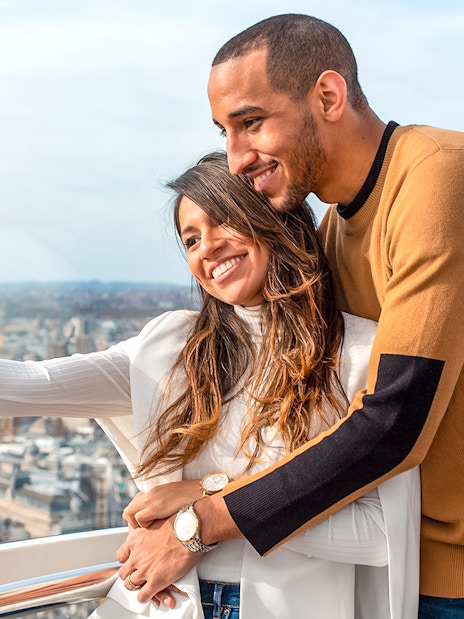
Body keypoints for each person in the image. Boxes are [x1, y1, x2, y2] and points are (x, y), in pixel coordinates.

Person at [118, 14, 464, 618]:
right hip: (406, 570)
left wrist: (197, 524)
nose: (235, 158)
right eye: (224, 132)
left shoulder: (437, 176)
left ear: (328, 96)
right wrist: (204, 487)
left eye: (250, 123)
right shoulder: (335, 230)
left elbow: (392, 420)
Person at [0, 152, 419, 618]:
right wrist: (210, 492)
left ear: (272, 219)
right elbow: (27, 385)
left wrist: (205, 515)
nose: (207, 248)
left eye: (223, 220)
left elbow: (383, 535)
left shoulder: (359, 355)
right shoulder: (169, 349)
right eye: (191, 239)